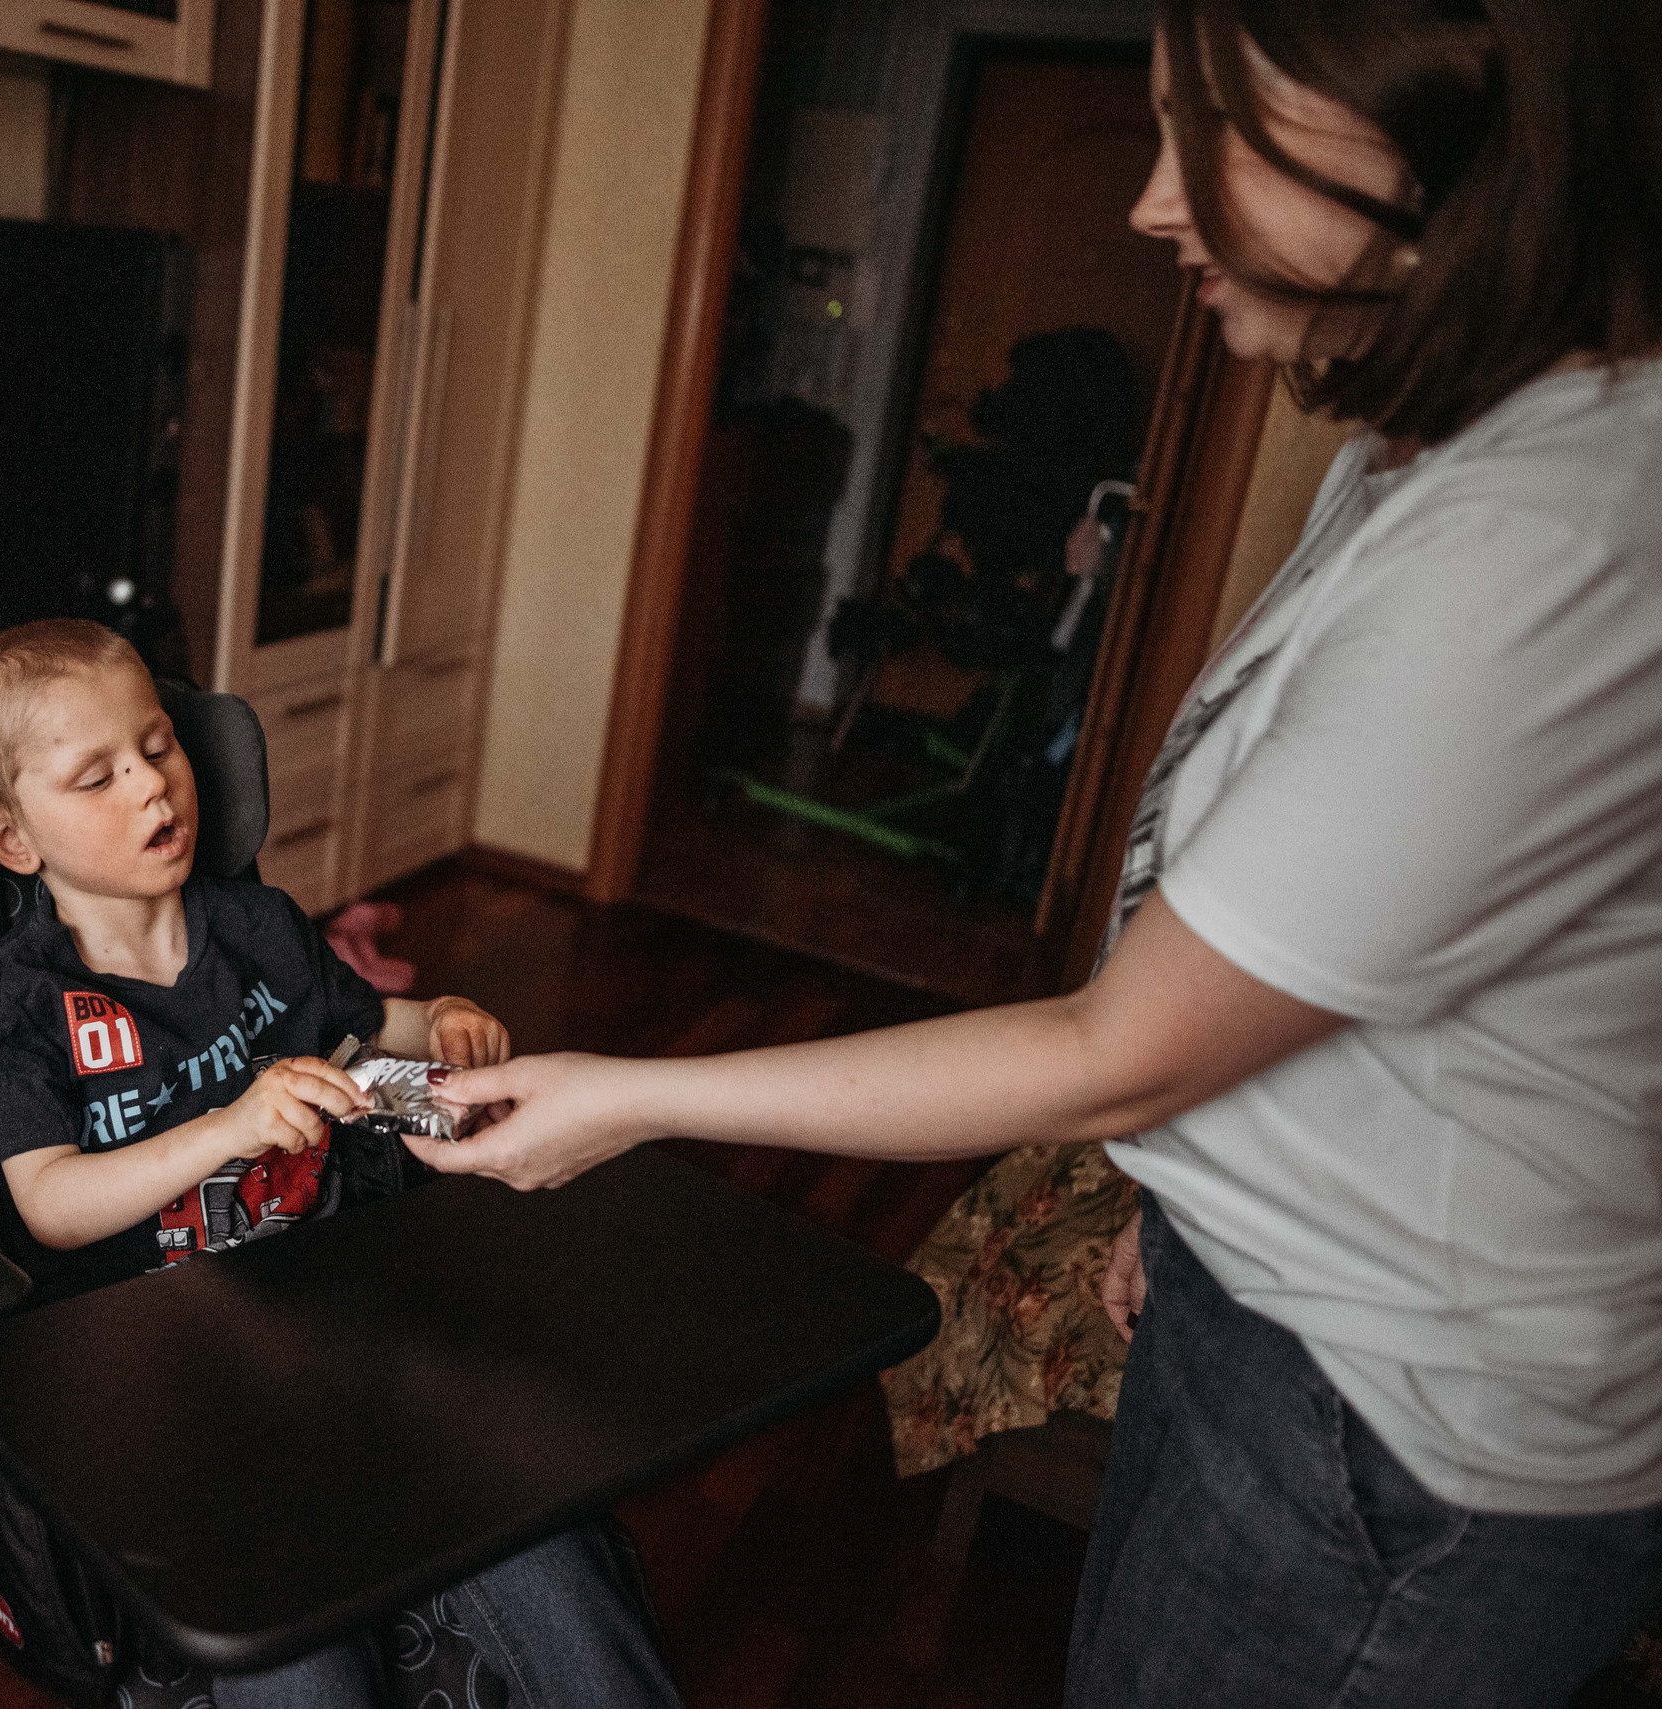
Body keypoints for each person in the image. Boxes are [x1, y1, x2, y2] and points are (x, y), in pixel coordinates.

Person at [412, 3, 1662, 1705]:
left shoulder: (1541, 537)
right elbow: (1317, 956)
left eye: (1206, 133)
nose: (1153, 202)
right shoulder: (1421, 458)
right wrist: (1192, 1194)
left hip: (1398, 1443)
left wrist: (628, 1096)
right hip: (1279, 1326)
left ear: (1432, 131)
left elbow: (1113, 1044)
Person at [0, 618, 683, 1708]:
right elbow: (49, 1202)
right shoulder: (16, 1005)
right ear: (12, 838)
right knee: (295, 1656)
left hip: (342, 1317)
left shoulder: (259, 925)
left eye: (157, 745)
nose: (151, 785)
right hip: (162, 1378)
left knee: (549, 1547)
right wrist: (227, 1127)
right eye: (97, 776)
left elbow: (366, 1025)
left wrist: (443, 1015)